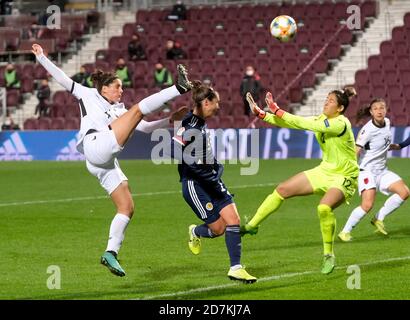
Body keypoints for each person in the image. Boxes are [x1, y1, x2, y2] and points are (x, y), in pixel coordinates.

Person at [32, 43, 193, 277]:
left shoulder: (119, 110)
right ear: (104, 88)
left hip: (102, 162)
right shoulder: (87, 94)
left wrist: (170, 119)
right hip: (95, 144)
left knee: (127, 207)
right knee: (138, 109)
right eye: (117, 87)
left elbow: (146, 128)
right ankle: (179, 87)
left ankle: (110, 253)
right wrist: (42, 58)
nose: (121, 91)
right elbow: (62, 78)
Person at [242, 87, 359, 275]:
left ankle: (328, 255)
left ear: (340, 108)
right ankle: (252, 226)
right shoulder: (321, 120)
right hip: (325, 170)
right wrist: (263, 114)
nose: (326, 102)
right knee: (282, 190)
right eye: (326, 99)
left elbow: (302, 122)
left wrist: (276, 108)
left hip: (345, 175)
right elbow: (292, 124)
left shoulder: (341, 123)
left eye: (330, 100)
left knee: (323, 208)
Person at [172, 81, 257, 283]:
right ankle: (195, 231)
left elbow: (201, 152)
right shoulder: (189, 125)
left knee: (233, 220)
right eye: (216, 102)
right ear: (207, 102)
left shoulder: (198, 123)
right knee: (218, 229)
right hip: (195, 184)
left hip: (210, 179)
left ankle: (235, 268)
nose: (219, 106)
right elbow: (180, 154)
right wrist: (208, 174)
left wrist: (215, 165)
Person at [338, 99, 410, 241]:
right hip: (367, 172)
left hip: (382, 171)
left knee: (405, 192)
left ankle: (379, 218)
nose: (379, 110)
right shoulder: (367, 130)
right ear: (371, 112)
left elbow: (384, 142)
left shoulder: (387, 122)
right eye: (375, 108)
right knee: (367, 204)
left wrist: (398, 146)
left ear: (386, 109)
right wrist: (348, 171)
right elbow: (356, 151)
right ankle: (345, 232)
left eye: (382, 107)